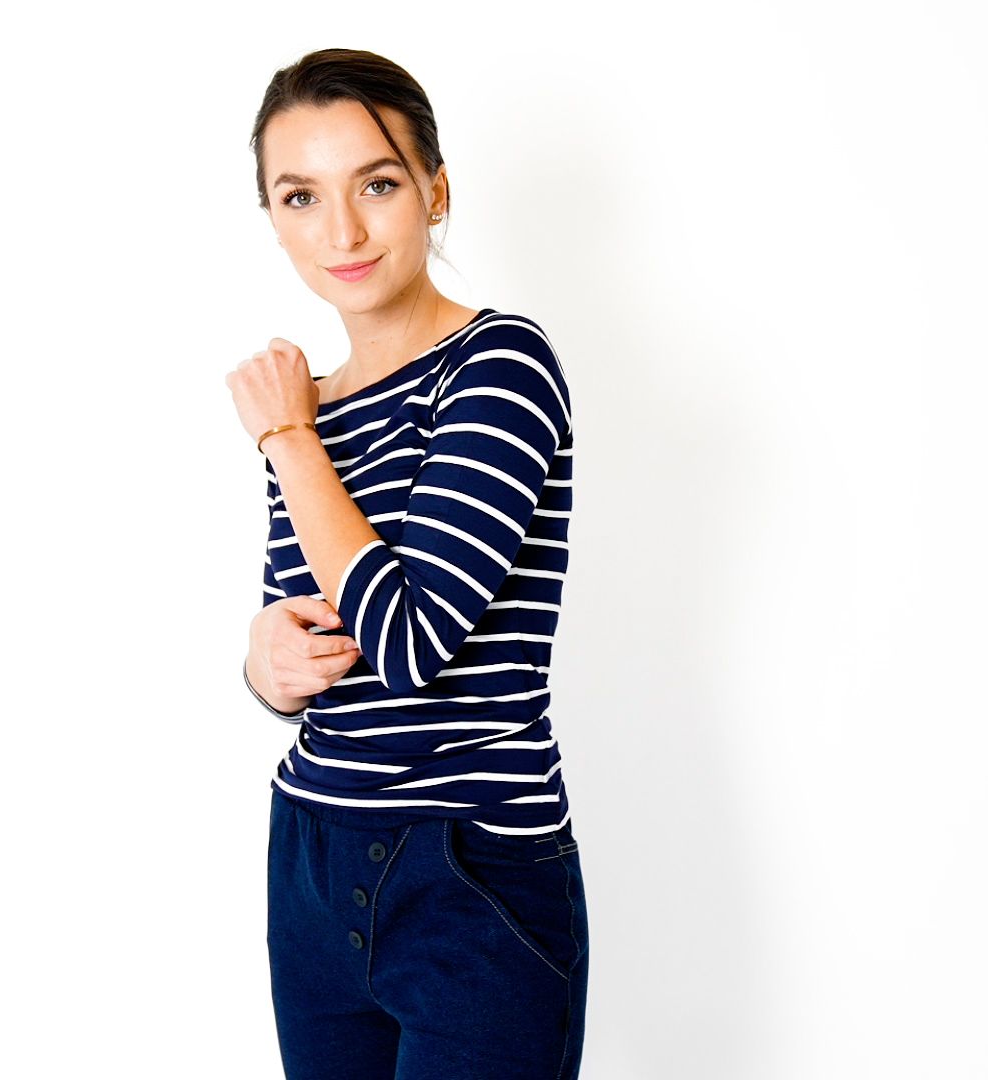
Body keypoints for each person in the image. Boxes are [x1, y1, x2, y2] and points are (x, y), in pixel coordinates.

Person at [225, 48, 589, 1080]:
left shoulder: (500, 365)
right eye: (301, 196)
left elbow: (408, 640)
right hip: (311, 850)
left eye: (377, 184)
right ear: (273, 217)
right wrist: (263, 666)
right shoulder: (312, 410)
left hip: (467, 868)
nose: (341, 231)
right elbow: (313, 642)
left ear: (435, 190)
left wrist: (286, 440)